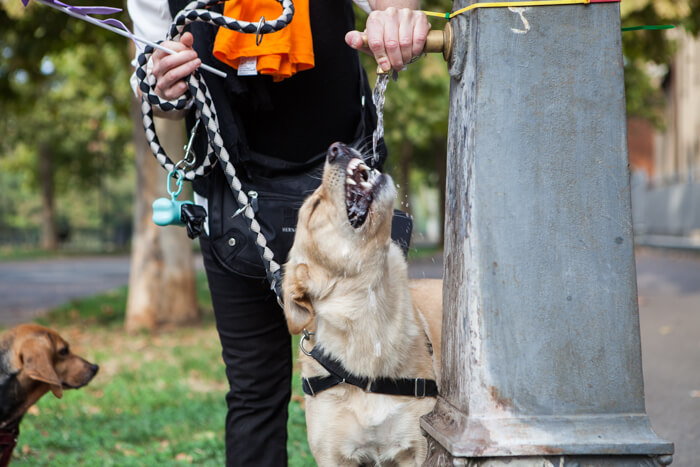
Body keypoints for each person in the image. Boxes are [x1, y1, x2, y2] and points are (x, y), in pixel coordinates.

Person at [127, 1, 429, 465]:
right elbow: (155, 90)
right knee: (254, 392)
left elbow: (392, 4)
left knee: (382, 381)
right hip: (232, 203)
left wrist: (396, 16)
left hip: (345, 191)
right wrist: (163, 87)